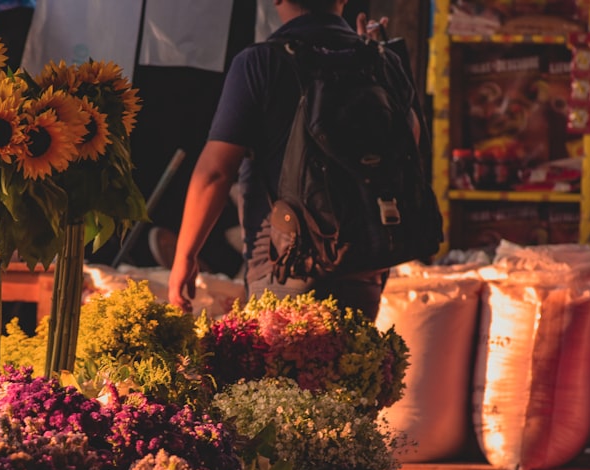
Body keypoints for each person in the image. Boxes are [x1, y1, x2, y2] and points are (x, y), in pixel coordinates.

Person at [167, 0, 417, 321]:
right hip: (365, 267)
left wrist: (185, 256)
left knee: (281, 371)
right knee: (353, 368)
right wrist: (371, 57)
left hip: (284, 268)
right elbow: (409, 149)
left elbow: (216, 171)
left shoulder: (260, 63)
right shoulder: (382, 61)